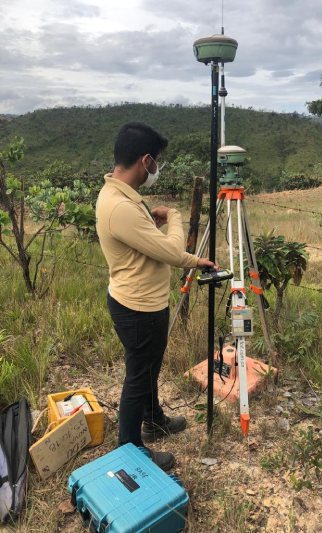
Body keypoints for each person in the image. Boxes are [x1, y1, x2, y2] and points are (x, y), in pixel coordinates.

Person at [96, 122, 215, 471]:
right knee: (139, 376)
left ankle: (154, 418)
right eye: (157, 161)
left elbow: (145, 246)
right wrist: (176, 218)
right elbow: (171, 251)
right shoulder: (122, 207)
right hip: (139, 309)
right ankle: (131, 448)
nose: (157, 168)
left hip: (135, 301)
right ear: (145, 160)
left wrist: (196, 260)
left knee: (147, 370)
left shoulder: (117, 197)